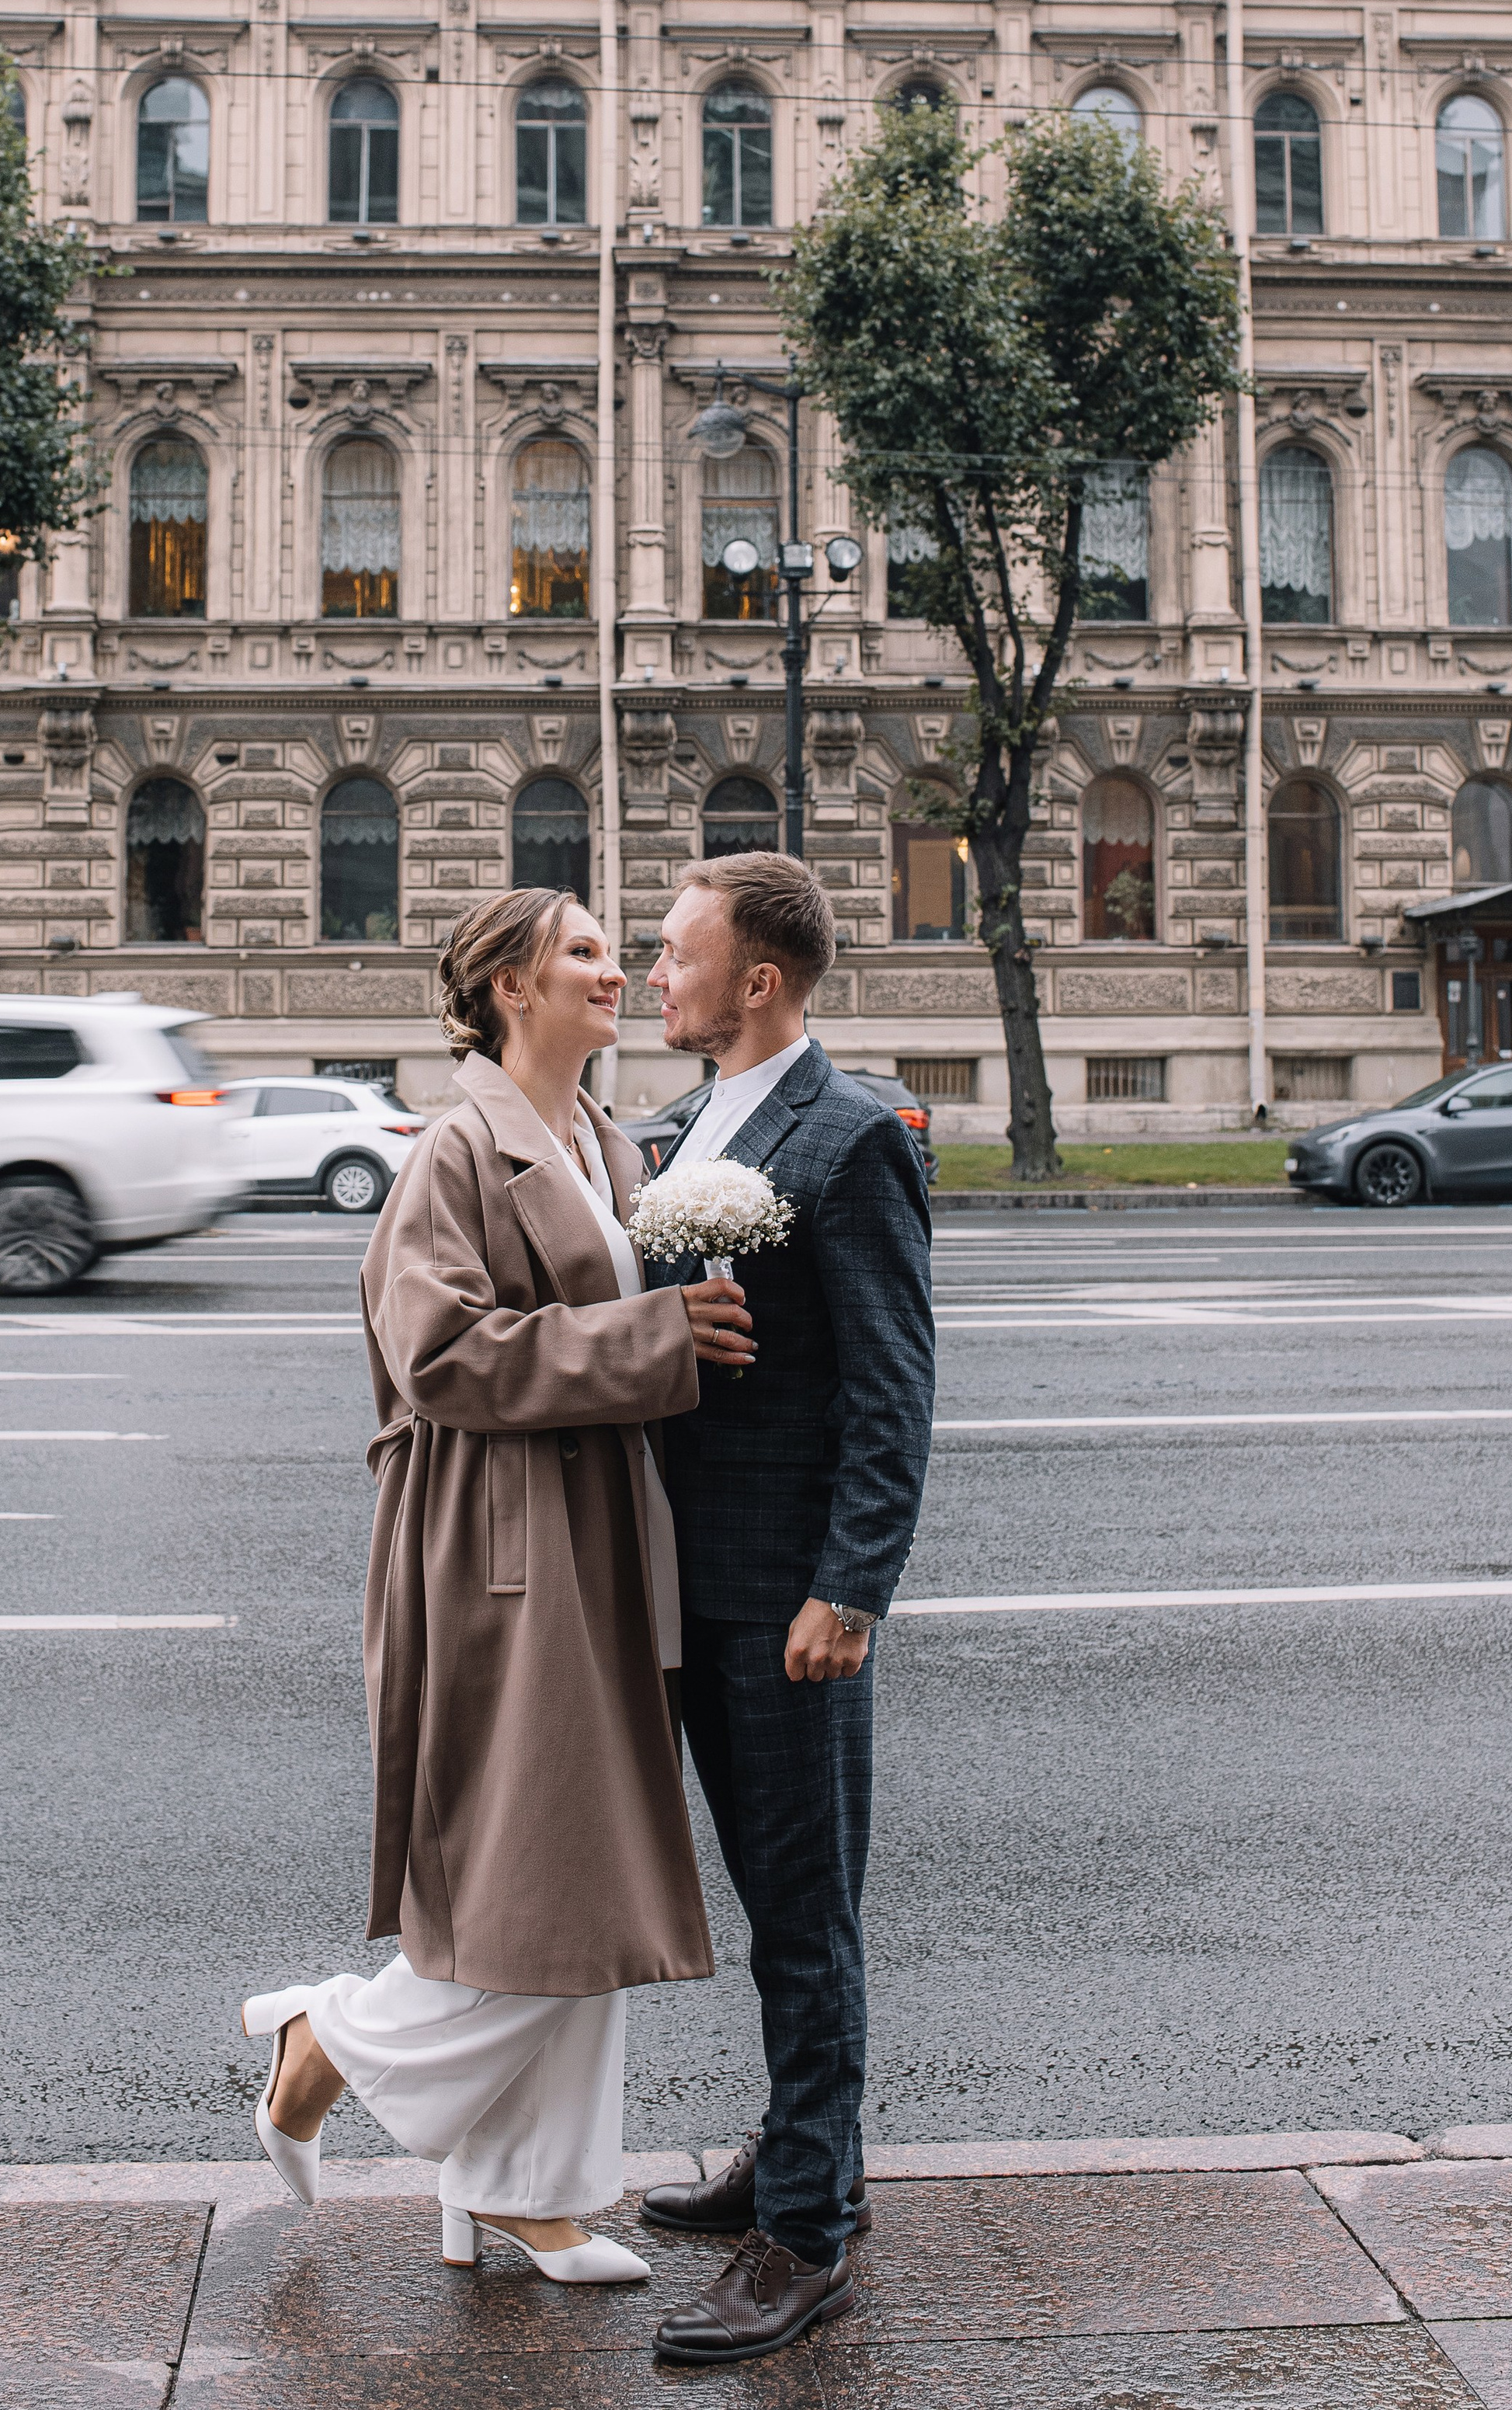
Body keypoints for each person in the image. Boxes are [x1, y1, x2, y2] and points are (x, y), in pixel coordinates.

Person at [239, 888, 753, 2282]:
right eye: (583, 950)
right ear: (510, 990)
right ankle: (328, 2044)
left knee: (572, 1876)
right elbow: (441, 1357)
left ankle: (514, 2191)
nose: (614, 970)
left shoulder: (602, 1137)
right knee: (547, 1870)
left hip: (590, 1523)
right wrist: (656, 1338)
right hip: (498, 1538)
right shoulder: (457, 1149)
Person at [637, 850, 936, 2367]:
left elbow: (892, 1384)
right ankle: (806, 2145)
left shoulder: (853, 1128)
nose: (652, 972)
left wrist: (849, 1584)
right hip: (685, 1582)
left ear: (759, 979)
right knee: (765, 1896)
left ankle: (805, 2233)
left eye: (676, 950)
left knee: (806, 1911)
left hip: (788, 1597)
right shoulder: (685, 1129)